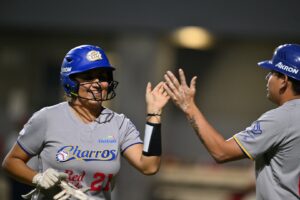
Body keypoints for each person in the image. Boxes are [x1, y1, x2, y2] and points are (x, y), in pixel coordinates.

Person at [2, 44, 169, 200]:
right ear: (71, 81)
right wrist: (37, 178)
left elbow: (149, 166)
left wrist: (154, 113)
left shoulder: (119, 124)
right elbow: (11, 162)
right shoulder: (47, 118)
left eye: (102, 77)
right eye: (89, 77)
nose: (97, 83)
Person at [163, 44, 300, 200]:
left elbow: (221, 152)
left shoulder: (281, 118)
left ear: (284, 80)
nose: (267, 77)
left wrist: (189, 107)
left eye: (272, 72)